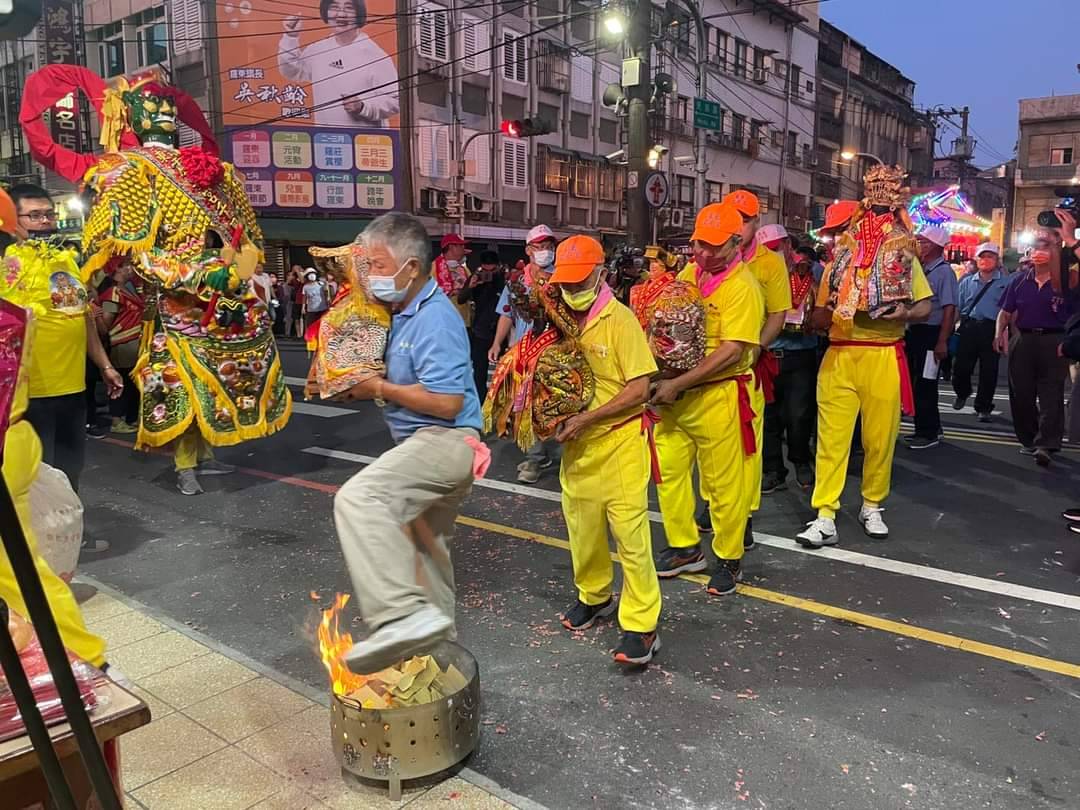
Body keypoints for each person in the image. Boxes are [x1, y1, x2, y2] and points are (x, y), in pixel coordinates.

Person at [332, 212, 483, 673]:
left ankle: (399, 614)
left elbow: (446, 403)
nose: (371, 276)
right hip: (424, 446)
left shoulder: (435, 319)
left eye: (378, 265)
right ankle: (440, 669)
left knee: (359, 499)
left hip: (446, 441)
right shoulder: (399, 314)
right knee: (427, 556)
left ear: (412, 268)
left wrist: (378, 388)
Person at [797, 165, 933, 547]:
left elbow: (924, 306)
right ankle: (825, 513)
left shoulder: (902, 254)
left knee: (879, 438)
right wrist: (819, 315)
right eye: (870, 213)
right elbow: (819, 315)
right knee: (831, 440)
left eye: (883, 212)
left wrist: (902, 313)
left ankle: (872, 504)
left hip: (883, 354)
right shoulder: (839, 260)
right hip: (839, 354)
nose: (874, 222)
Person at [548, 235, 662, 664]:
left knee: (631, 539)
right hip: (578, 448)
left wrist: (585, 419)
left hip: (618, 441)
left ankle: (642, 623)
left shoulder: (620, 320)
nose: (573, 291)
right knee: (583, 530)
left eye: (581, 282)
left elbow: (639, 388)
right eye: (567, 283)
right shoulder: (558, 319)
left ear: (600, 273)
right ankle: (594, 595)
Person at [651, 202, 765, 596]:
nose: (703, 253)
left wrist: (678, 383)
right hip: (675, 396)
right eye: (699, 244)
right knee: (667, 472)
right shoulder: (689, 273)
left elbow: (732, 351)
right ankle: (684, 547)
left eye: (714, 246)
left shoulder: (743, 287)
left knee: (722, 486)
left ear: (737, 242)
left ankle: (729, 558)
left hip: (718, 395)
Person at [3, 184, 123, 493]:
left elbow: (81, 318)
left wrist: (106, 366)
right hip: (29, 393)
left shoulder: (68, 261)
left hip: (73, 386)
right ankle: (35, 541)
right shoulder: (5, 265)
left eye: (48, 215)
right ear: (12, 221)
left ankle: (69, 536)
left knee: (70, 469)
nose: (44, 221)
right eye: (34, 216)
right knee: (36, 476)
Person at [696, 191, 790, 548]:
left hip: (743, 362)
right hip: (705, 364)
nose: (739, 223)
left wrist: (753, 348)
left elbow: (778, 314)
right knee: (708, 443)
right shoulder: (702, 261)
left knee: (747, 444)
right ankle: (712, 501)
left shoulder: (768, 263)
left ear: (755, 223)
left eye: (745, 218)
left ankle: (745, 512)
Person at [996, 227, 1075, 466]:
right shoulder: (1020, 280)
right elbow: (1005, 311)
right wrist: (999, 332)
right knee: (1021, 393)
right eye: (1037, 245)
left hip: (1056, 340)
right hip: (1024, 338)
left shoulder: (1069, 280)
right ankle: (1029, 439)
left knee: (1051, 393)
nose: (1039, 251)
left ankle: (1046, 443)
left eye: (1046, 245)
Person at [490, 225, 560, 483]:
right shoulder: (517, 281)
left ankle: (560, 451)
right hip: (523, 354)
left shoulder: (562, 277)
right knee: (525, 406)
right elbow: (506, 313)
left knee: (554, 405)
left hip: (555, 352)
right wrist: (497, 343)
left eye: (548, 247)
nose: (544, 252)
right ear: (528, 250)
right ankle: (535, 458)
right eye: (539, 247)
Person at [279, 0, 400, 127]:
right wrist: (290, 37)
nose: (341, 14)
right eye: (335, 7)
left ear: (359, 13)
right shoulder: (318, 50)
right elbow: (292, 71)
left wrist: (363, 106)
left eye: (348, 8)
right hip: (324, 139)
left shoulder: (375, 54)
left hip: (365, 142)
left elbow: (395, 100)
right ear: (326, 12)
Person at [762, 243, 822, 491]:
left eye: (779, 247)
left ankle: (801, 462)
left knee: (799, 414)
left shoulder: (813, 270)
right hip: (768, 355)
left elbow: (826, 301)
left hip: (800, 355)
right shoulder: (758, 271)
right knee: (768, 417)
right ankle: (773, 469)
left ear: (788, 247)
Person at [903, 224, 958, 450]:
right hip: (915, 333)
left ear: (936, 246)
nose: (920, 246)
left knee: (926, 383)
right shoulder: (921, 269)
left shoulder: (944, 272)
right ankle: (928, 427)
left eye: (923, 242)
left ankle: (927, 433)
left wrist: (942, 341)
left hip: (931, 334)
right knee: (916, 382)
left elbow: (949, 309)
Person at [952, 242, 1010, 422]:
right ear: (976, 259)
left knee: (989, 371)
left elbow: (1009, 310)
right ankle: (963, 391)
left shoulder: (1006, 282)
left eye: (990, 256)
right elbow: (957, 308)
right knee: (961, 367)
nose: (985, 260)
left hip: (991, 328)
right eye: (982, 256)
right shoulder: (967, 281)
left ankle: (983, 406)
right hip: (969, 327)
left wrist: (1003, 334)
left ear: (997, 260)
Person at [98, 260, 145, 434]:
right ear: (117, 268)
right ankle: (116, 420)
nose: (131, 268)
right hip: (123, 344)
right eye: (127, 265)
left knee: (133, 385)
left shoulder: (128, 290)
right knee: (122, 383)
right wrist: (95, 317)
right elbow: (106, 321)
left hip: (135, 343)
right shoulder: (113, 294)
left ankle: (131, 418)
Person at [457, 250, 504, 403]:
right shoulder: (476, 279)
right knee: (479, 373)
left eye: (492, 270)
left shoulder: (504, 280)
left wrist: (502, 281)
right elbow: (461, 299)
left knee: (504, 372)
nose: (488, 274)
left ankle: (500, 404)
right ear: (481, 267)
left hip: (501, 331)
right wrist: (471, 286)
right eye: (485, 270)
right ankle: (481, 405)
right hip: (480, 331)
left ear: (498, 267)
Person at [302, 268, 330, 335]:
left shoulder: (321, 284)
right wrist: (303, 307)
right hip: (311, 310)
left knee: (322, 326)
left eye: (313, 273)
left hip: (322, 308)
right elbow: (304, 297)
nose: (312, 275)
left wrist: (328, 304)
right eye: (309, 274)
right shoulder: (305, 287)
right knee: (310, 325)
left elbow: (327, 294)